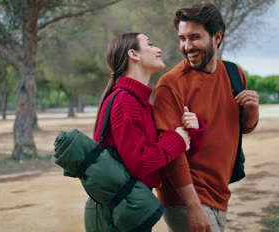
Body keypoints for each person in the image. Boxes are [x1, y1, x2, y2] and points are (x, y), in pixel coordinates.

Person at [152, 3, 260, 232]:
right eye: (182, 38)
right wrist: (192, 206)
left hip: (219, 194)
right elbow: (171, 153)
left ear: (217, 37)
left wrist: (253, 112)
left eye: (194, 37)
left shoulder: (233, 73)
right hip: (186, 197)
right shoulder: (171, 84)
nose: (186, 46)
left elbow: (242, 127)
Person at [84, 32, 206, 231]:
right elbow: (141, 163)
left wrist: (190, 133)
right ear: (134, 54)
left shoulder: (141, 104)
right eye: (150, 44)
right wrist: (176, 139)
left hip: (128, 206)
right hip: (113, 211)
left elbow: (163, 160)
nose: (159, 49)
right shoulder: (125, 101)